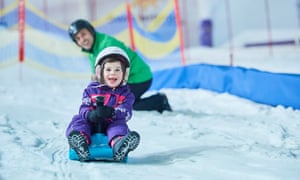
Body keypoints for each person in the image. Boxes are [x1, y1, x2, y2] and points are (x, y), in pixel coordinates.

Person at [68, 19, 172, 113]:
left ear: (91, 31)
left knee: (122, 103)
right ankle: (156, 100)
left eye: (83, 34)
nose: (82, 39)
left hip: (139, 78)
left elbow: (116, 73)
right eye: (78, 38)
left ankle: (159, 101)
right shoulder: (92, 51)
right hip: (128, 79)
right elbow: (97, 76)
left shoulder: (107, 45)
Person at [66, 47, 140, 162]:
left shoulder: (126, 94)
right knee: (78, 120)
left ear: (125, 73)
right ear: (100, 72)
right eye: (108, 69)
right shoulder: (91, 91)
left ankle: (119, 145)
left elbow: (127, 112)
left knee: (119, 125)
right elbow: (84, 108)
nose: (112, 73)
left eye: (117, 70)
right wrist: (90, 114)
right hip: (91, 123)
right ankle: (81, 143)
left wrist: (113, 113)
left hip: (111, 123)